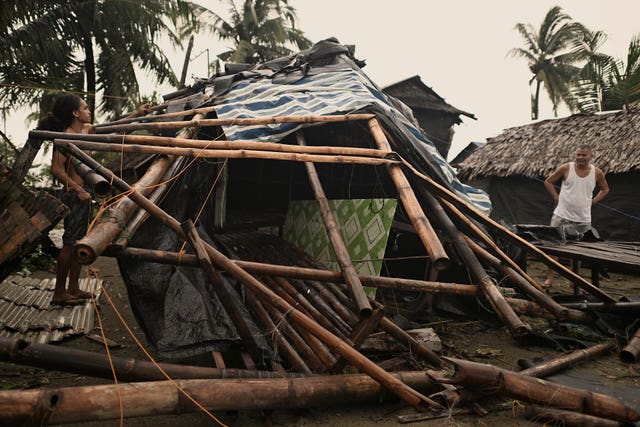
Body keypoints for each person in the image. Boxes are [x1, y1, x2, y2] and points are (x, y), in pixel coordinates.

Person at [37, 94, 150, 306]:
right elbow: (56, 169)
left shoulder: (86, 130)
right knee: (69, 245)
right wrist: (79, 189)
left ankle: (73, 288)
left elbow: (115, 127)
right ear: (75, 113)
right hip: (74, 194)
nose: (88, 111)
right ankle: (59, 292)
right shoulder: (65, 136)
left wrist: (138, 113)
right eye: (85, 108)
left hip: (86, 192)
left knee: (79, 241)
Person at [542, 145, 609, 287]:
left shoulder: (597, 173)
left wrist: (594, 201)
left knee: (577, 250)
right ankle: (550, 278)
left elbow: (605, 189)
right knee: (553, 247)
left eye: (583, 155)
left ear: (590, 157)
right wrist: (556, 197)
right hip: (561, 215)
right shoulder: (566, 168)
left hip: (582, 218)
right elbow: (548, 181)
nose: (580, 158)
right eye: (578, 154)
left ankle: (574, 279)